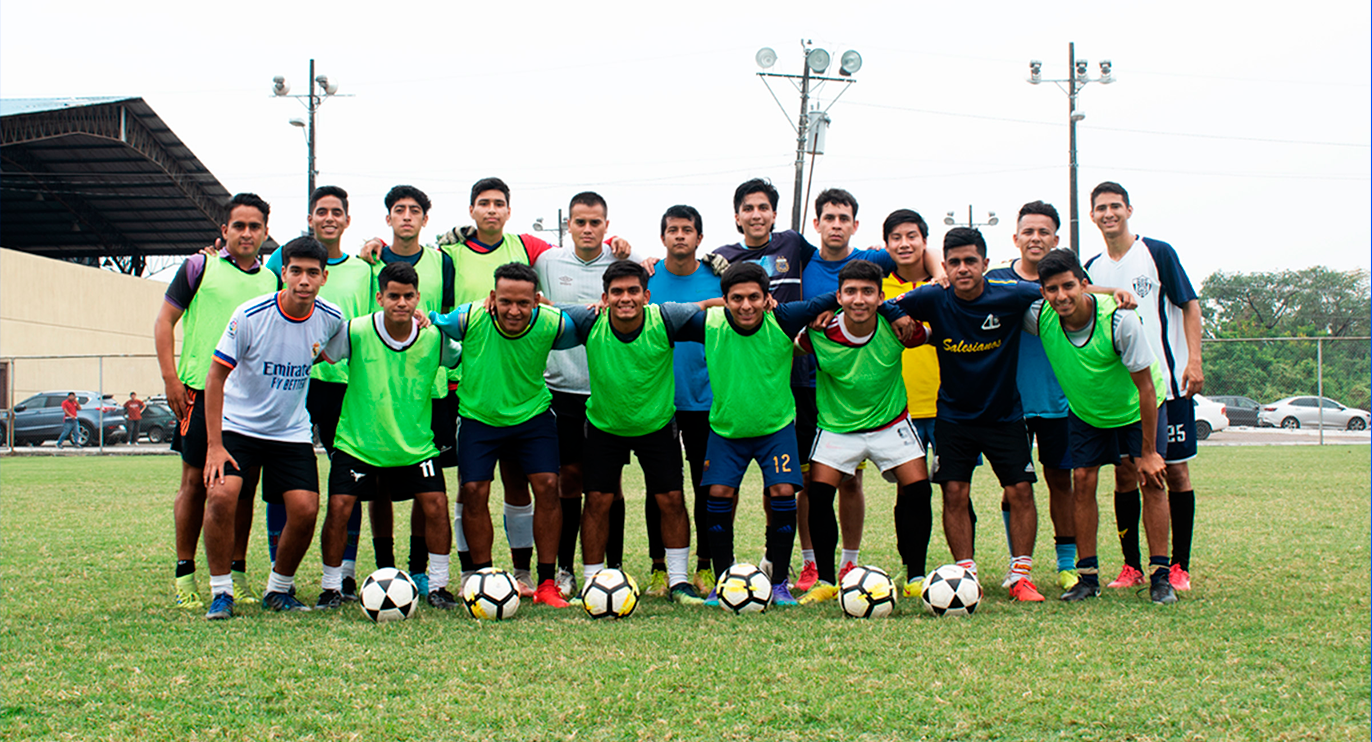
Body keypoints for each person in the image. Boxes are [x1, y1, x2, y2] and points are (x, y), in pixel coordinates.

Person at [891, 228, 1136, 603]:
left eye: (970, 261)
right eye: (954, 263)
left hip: (1004, 414)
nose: (962, 269)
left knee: (1020, 490)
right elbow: (887, 304)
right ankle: (965, 572)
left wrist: (1112, 293)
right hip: (954, 416)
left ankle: (1021, 574)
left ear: (986, 265)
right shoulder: (933, 297)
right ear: (944, 267)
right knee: (954, 491)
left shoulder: (1011, 294)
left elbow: (1060, 289)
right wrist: (910, 326)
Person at [680, 262, 911, 606]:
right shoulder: (708, 323)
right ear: (725, 300)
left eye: (754, 297)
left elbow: (833, 299)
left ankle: (778, 584)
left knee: (784, 491)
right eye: (737, 298)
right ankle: (723, 580)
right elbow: (664, 316)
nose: (746, 306)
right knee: (718, 493)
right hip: (727, 429)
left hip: (776, 427)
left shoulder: (784, 318)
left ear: (767, 298)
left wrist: (890, 309)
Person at [200, 236, 347, 619]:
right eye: (295, 270)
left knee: (305, 508)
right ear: (283, 272)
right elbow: (215, 378)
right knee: (221, 497)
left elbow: (338, 347)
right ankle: (221, 592)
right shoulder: (249, 314)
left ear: (323, 278)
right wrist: (214, 445)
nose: (303, 280)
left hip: (290, 432)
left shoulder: (331, 318)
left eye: (312, 273)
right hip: (238, 427)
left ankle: (278, 590)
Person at [429, 262, 584, 608]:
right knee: (473, 490)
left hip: (532, 417)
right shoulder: (470, 318)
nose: (514, 310)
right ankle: (482, 578)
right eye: (505, 301)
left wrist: (559, 307)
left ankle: (545, 583)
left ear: (537, 302)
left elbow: (588, 323)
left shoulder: (551, 322)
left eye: (523, 303)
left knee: (546, 486)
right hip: (479, 417)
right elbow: (433, 320)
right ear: (492, 298)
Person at [1025, 249, 1176, 604]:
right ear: (1043, 292)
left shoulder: (1119, 321)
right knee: (1083, 481)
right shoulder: (1041, 316)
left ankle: (1160, 577)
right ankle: (1088, 577)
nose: (1061, 296)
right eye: (1051, 289)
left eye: (1068, 286)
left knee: (1151, 480)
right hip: (1087, 412)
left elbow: (1146, 387)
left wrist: (1150, 452)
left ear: (1083, 285)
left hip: (1137, 410)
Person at [560, 260, 713, 604]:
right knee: (597, 501)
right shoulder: (590, 320)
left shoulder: (666, 317)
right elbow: (545, 312)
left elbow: (718, 310)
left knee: (671, 500)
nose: (625, 298)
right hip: (604, 426)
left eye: (632, 291)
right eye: (617, 292)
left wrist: (763, 302)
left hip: (656, 426)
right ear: (604, 296)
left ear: (646, 295)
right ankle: (592, 581)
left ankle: (677, 582)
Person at [154, 193, 277, 610]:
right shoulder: (198, 266)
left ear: (264, 232)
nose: (246, 233)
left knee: (243, 489)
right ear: (224, 230)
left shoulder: (270, 280)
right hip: (200, 392)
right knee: (194, 483)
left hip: (249, 401)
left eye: (254, 226)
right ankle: (184, 575)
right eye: (238, 226)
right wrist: (171, 377)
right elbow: (164, 321)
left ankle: (237, 573)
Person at [315, 262, 461, 610]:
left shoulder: (434, 337)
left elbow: (460, 356)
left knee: (437, 506)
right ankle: (331, 587)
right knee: (338, 508)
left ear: (418, 298)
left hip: (415, 444)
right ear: (380, 297)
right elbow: (322, 356)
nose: (401, 303)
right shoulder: (355, 330)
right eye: (393, 296)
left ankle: (439, 585)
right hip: (359, 442)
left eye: (408, 296)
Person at [1083, 182, 1203, 592]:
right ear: (1093, 215)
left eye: (1115, 206)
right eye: (1101, 208)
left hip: (1166, 385)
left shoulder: (1158, 253)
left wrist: (1194, 360)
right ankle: (1131, 566)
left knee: (1174, 472)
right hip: (1124, 393)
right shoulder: (1094, 266)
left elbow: (1190, 304)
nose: (1109, 213)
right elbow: (1080, 295)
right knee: (1125, 474)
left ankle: (1178, 566)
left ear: (1129, 210)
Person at [794, 260, 932, 604]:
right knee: (819, 494)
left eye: (868, 292)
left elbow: (936, 332)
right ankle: (826, 580)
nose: (859, 299)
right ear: (838, 296)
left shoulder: (898, 328)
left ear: (880, 297)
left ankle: (915, 575)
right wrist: (818, 312)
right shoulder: (817, 334)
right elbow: (788, 342)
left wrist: (898, 312)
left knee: (918, 489)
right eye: (851, 292)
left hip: (891, 423)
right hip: (838, 428)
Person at [261, 185, 375, 601]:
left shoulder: (366, 268)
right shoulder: (282, 260)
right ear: (310, 218)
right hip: (294, 385)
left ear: (347, 220)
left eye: (336, 212)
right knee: (283, 481)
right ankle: (280, 569)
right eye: (321, 211)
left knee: (349, 480)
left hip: (347, 388)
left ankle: (343, 573)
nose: (329, 217)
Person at [792, 188, 904, 594]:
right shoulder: (802, 259)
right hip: (808, 385)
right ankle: (810, 565)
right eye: (829, 218)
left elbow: (920, 256)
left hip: (861, 393)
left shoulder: (872, 260)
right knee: (811, 480)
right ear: (817, 224)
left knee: (852, 483)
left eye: (844, 218)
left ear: (855, 225)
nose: (836, 225)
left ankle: (848, 563)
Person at [533, 192, 645, 598]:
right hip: (561, 389)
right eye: (579, 222)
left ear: (606, 225)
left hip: (607, 391)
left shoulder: (619, 265)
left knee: (609, 484)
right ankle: (565, 568)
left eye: (595, 222)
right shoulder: (547, 262)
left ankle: (611, 568)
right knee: (570, 480)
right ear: (569, 226)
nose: (586, 229)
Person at [985, 201, 1079, 591]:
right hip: (1009, 403)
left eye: (1044, 232)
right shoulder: (996, 280)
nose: (1035, 238)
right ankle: (1017, 565)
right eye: (1029, 231)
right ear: (1016, 237)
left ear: (1055, 238)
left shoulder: (1070, 279)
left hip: (1059, 400)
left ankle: (1066, 564)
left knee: (1061, 481)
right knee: (1014, 487)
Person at [367, 185, 455, 595]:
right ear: (388, 218)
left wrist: (429, 319)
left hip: (429, 389)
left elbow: (447, 317)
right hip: (377, 390)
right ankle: (385, 568)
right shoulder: (370, 258)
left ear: (424, 218)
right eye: (398, 210)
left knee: (427, 485)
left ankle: (420, 569)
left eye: (414, 210)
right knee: (378, 483)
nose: (406, 216)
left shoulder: (442, 262)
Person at [646, 205, 720, 595]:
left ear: (699, 238)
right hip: (656, 400)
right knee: (661, 487)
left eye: (687, 230)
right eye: (672, 229)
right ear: (662, 238)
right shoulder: (648, 277)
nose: (679, 236)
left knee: (706, 485)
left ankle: (706, 566)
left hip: (705, 398)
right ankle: (660, 568)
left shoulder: (716, 277)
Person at [879, 209, 946, 597]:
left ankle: (962, 563)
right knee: (910, 492)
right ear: (886, 245)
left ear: (924, 240)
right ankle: (913, 570)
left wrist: (940, 270)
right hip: (899, 408)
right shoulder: (879, 283)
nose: (904, 244)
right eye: (896, 238)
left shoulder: (944, 281)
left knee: (957, 487)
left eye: (912, 237)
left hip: (946, 405)